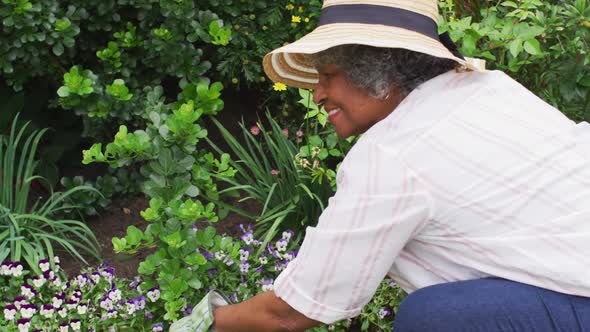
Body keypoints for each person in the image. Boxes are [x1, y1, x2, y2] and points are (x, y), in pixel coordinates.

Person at [173, 0, 590, 331]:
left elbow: (291, 312)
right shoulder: (489, 90)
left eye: (328, 76)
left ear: (379, 71)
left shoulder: (393, 152)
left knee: (437, 318)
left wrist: (205, 323)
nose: (317, 96)